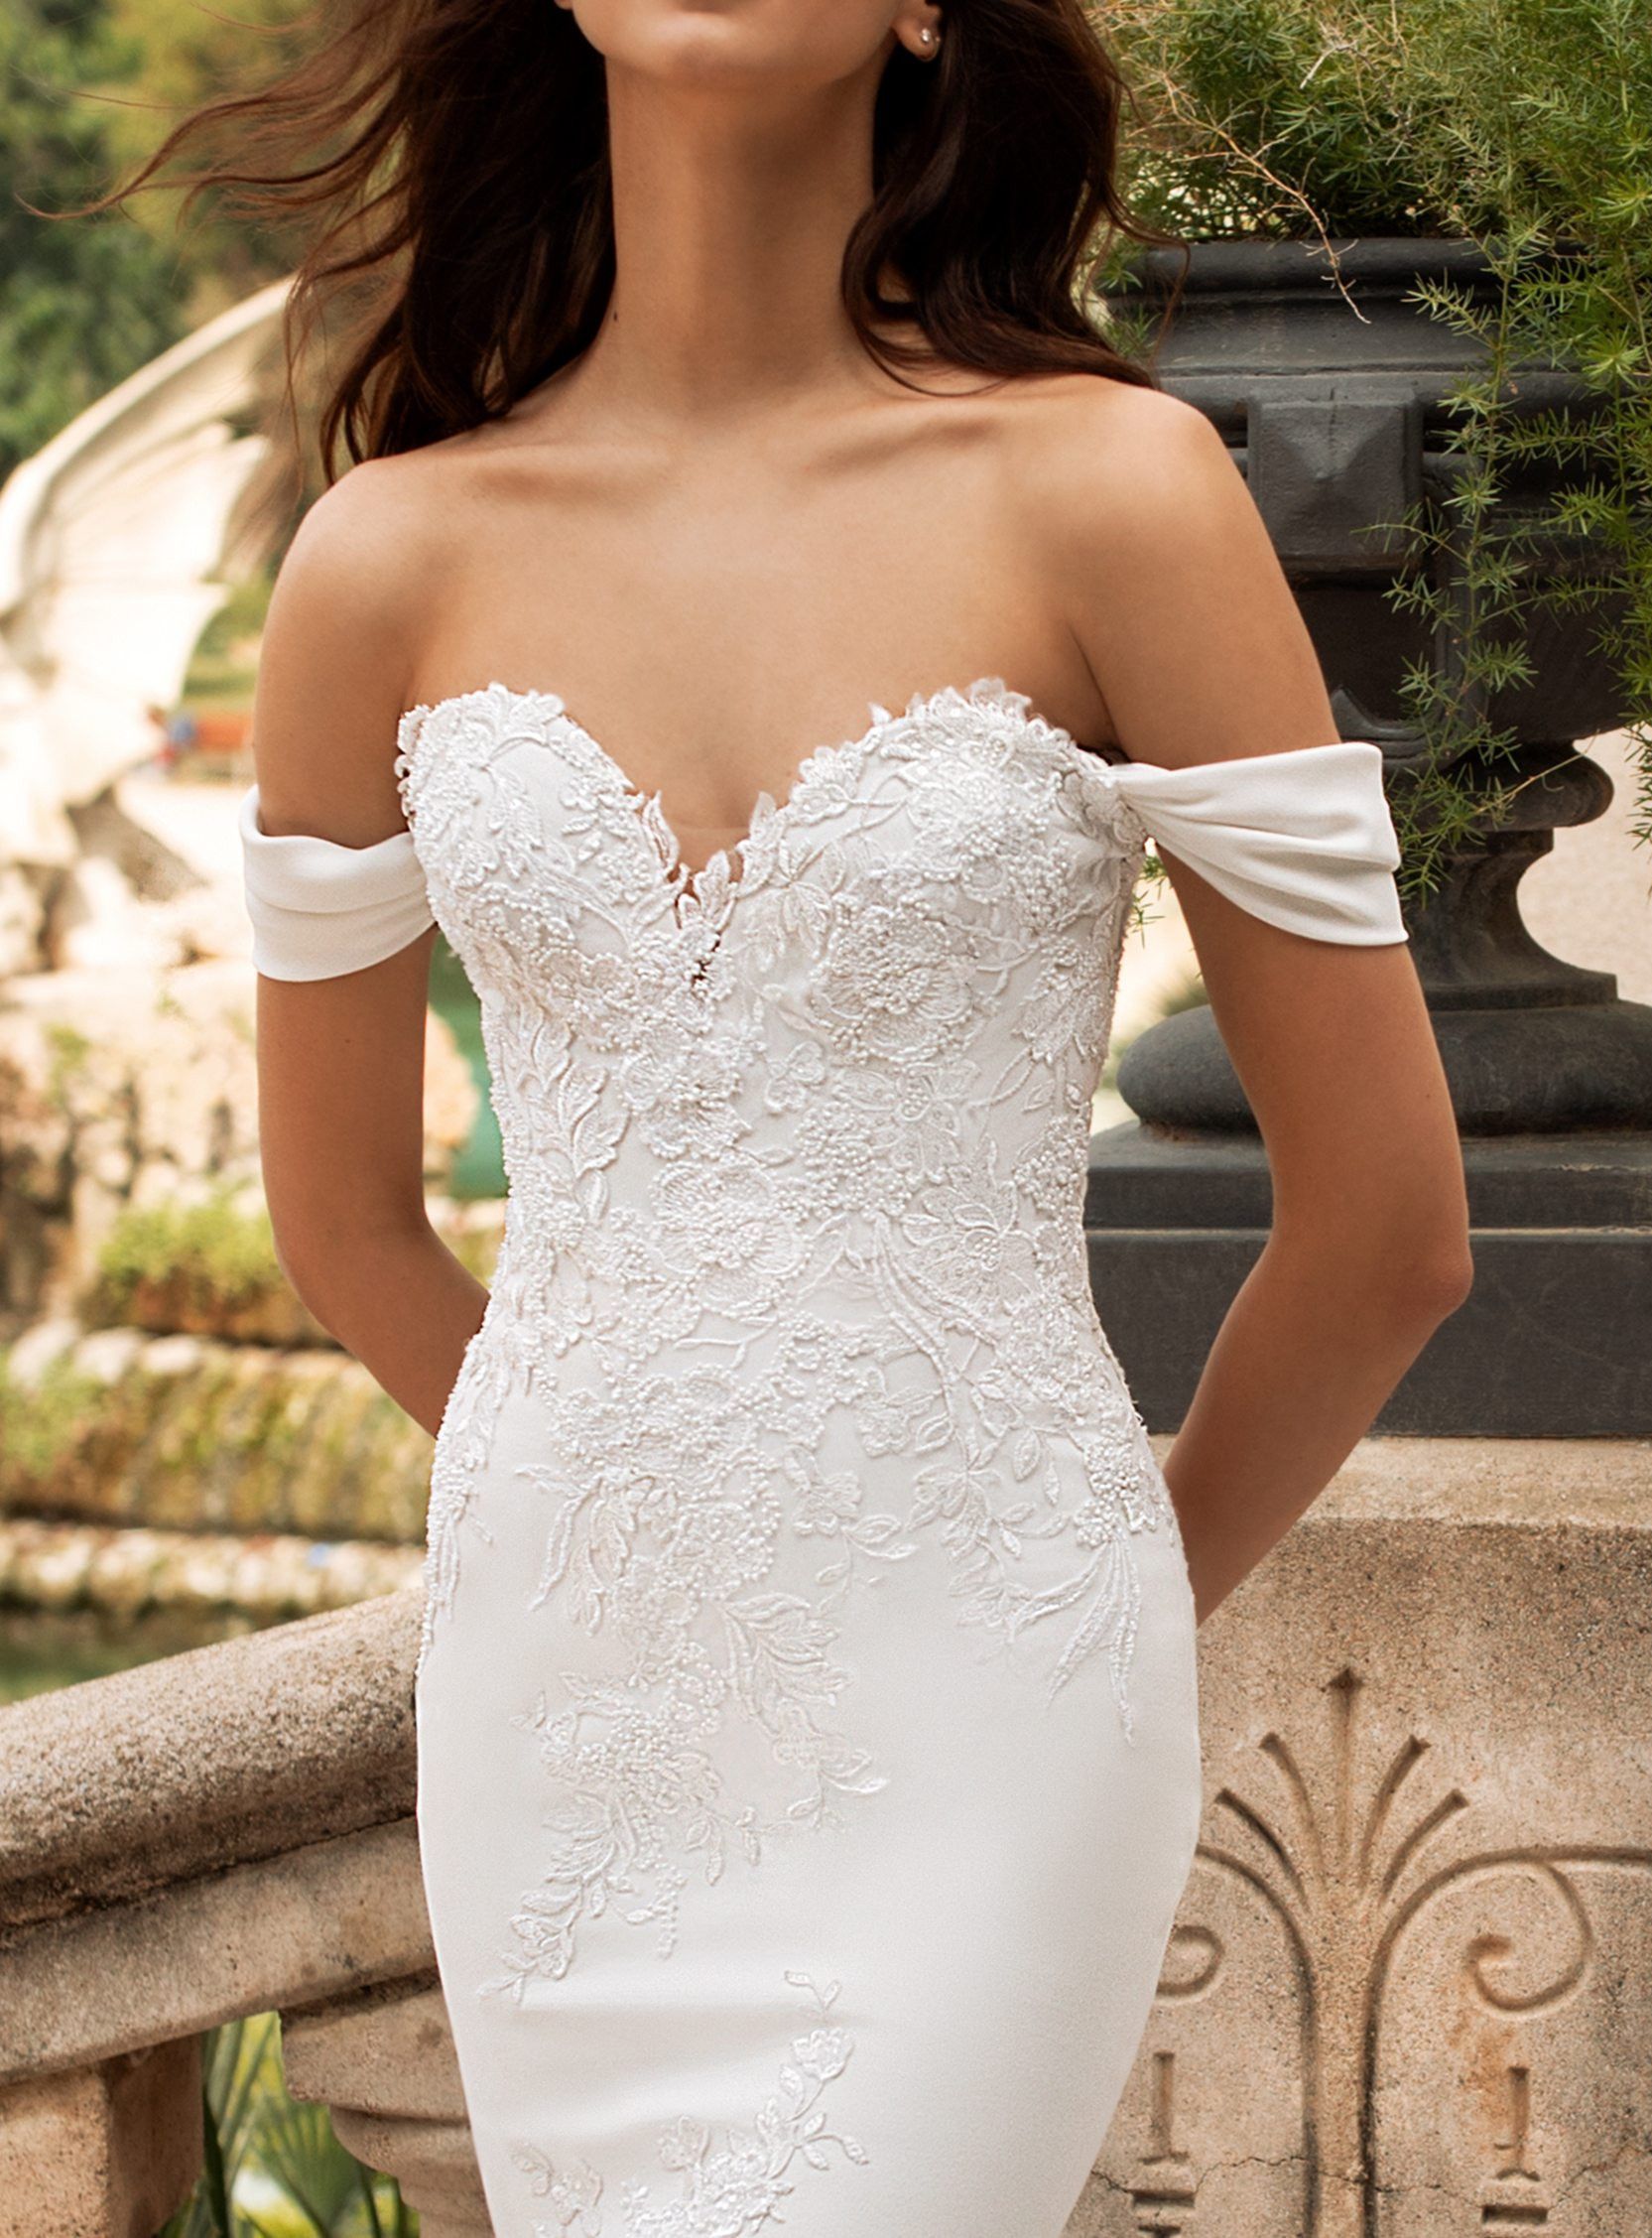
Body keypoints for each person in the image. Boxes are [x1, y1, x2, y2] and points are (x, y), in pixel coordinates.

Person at [135, 3, 1471, 2229]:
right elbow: (349, 1222)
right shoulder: (382, 561)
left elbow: (1389, 1229)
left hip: (993, 1710)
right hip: (571, 1711)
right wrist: (630, 1515)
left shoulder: (1115, 492)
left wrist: (1094, 1594)